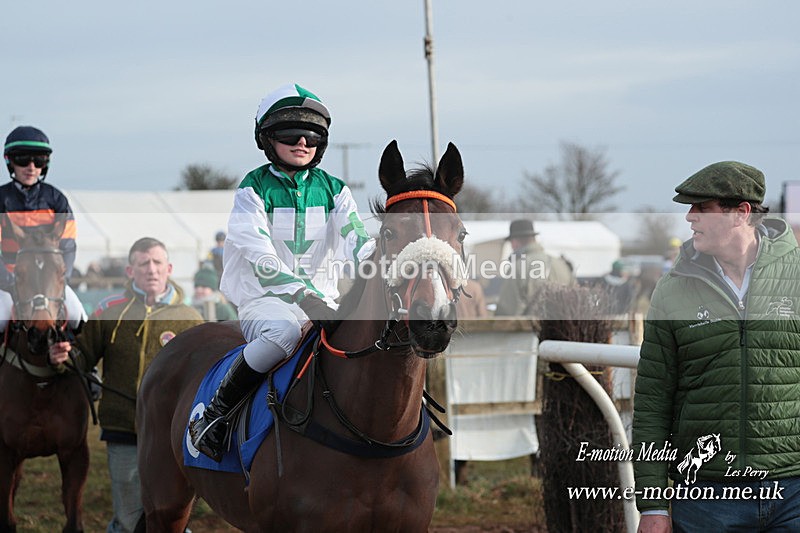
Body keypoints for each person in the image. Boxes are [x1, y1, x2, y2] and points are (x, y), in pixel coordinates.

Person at [189, 83, 375, 462]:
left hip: (322, 303)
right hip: (266, 303)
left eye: (313, 135)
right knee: (284, 332)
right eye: (291, 134)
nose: (303, 141)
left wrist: (387, 263)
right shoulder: (252, 189)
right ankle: (216, 413)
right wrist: (303, 296)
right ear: (267, 138)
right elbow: (260, 256)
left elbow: (358, 239)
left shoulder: (336, 190)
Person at [632, 161, 800, 532]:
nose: (690, 218)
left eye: (701, 208)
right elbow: (652, 402)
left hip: (794, 493)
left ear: (740, 213)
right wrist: (653, 504)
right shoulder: (672, 290)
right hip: (706, 497)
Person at [49, 237, 204, 533]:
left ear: (169, 268)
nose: (151, 269)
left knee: (172, 517)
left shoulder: (189, 319)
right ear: (130, 271)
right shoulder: (110, 311)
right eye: (143, 263)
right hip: (123, 430)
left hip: (171, 436)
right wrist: (61, 357)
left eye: (157, 262)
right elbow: (81, 358)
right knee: (129, 518)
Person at [0, 125, 86, 332]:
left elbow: (67, 246)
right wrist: (8, 281)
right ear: (10, 161)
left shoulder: (57, 200)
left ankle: (85, 364)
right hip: (9, 280)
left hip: (48, 280)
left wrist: (61, 280)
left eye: (38, 161)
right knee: (2, 318)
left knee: (78, 316)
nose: (31, 167)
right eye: (23, 160)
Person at [493, 219, 575, 316]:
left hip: (531, 330)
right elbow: (576, 302)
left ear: (514, 242)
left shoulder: (518, 267)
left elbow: (506, 312)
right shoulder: (561, 265)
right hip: (563, 329)